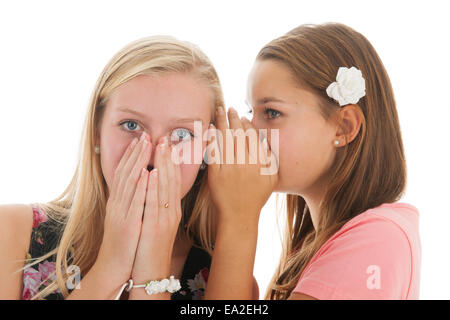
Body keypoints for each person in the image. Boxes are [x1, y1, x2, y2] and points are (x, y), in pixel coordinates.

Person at [0, 35, 227, 300]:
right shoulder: (11, 233)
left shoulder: (218, 280)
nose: (153, 155)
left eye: (182, 133)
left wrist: (153, 264)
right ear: (97, 130)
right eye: (131, 125)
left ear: (207, 149)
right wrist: (113, 264)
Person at [205, 23, 421, 300]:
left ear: (344, 127)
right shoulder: (314, 244)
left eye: (271, 112)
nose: (249, 129)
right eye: (251, 110)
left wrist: (238, 218)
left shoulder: (377, 238)